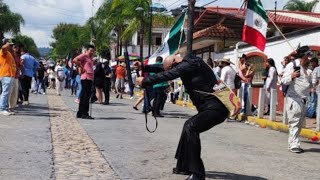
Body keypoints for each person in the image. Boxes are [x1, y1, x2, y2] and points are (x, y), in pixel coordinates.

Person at [136, 55, 229, 180]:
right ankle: (183, 166)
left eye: (170, 67)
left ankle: (197, 174)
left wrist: (146, 81)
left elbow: (169, 74)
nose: (170, 70)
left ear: (174, 62)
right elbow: (165, 70)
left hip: (216, 108)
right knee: (188, 127)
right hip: (210, 108)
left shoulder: (191, 63)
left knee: (191, 127)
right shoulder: (188, 64)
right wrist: (144, 67)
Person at [281, 46, 312, 153]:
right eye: (308, 55)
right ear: (303, 55)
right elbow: (284, 81)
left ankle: (293, 143)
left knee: (299, 124)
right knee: (294, 122)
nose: (310, 58)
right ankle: (294, 145)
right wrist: (292, 76)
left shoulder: (306, 68)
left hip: (304, 100)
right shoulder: (292, 65)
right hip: (294, 98)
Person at [73, 44, 95, 119]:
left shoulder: (90, 58)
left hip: (89, 78)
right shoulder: (84, 56)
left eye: (93, 51)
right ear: (87, 50)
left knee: (83, 96)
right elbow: (75, 60)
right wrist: (81, 67)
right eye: (90, 50)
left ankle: (80, 112)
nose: (92, 52)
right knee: (86, 96)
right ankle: (85, 113)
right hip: (86, 77)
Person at [0, 39, 16, 115]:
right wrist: (7, 44)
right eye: (10, 45)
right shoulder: (4, 52)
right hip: (6, 75)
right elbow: (3, 48)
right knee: (5, 92)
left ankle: (5, 108)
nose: (11, 46)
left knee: (7, 93)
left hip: (10, 75)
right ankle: (2, 108)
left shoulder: (9, 53)